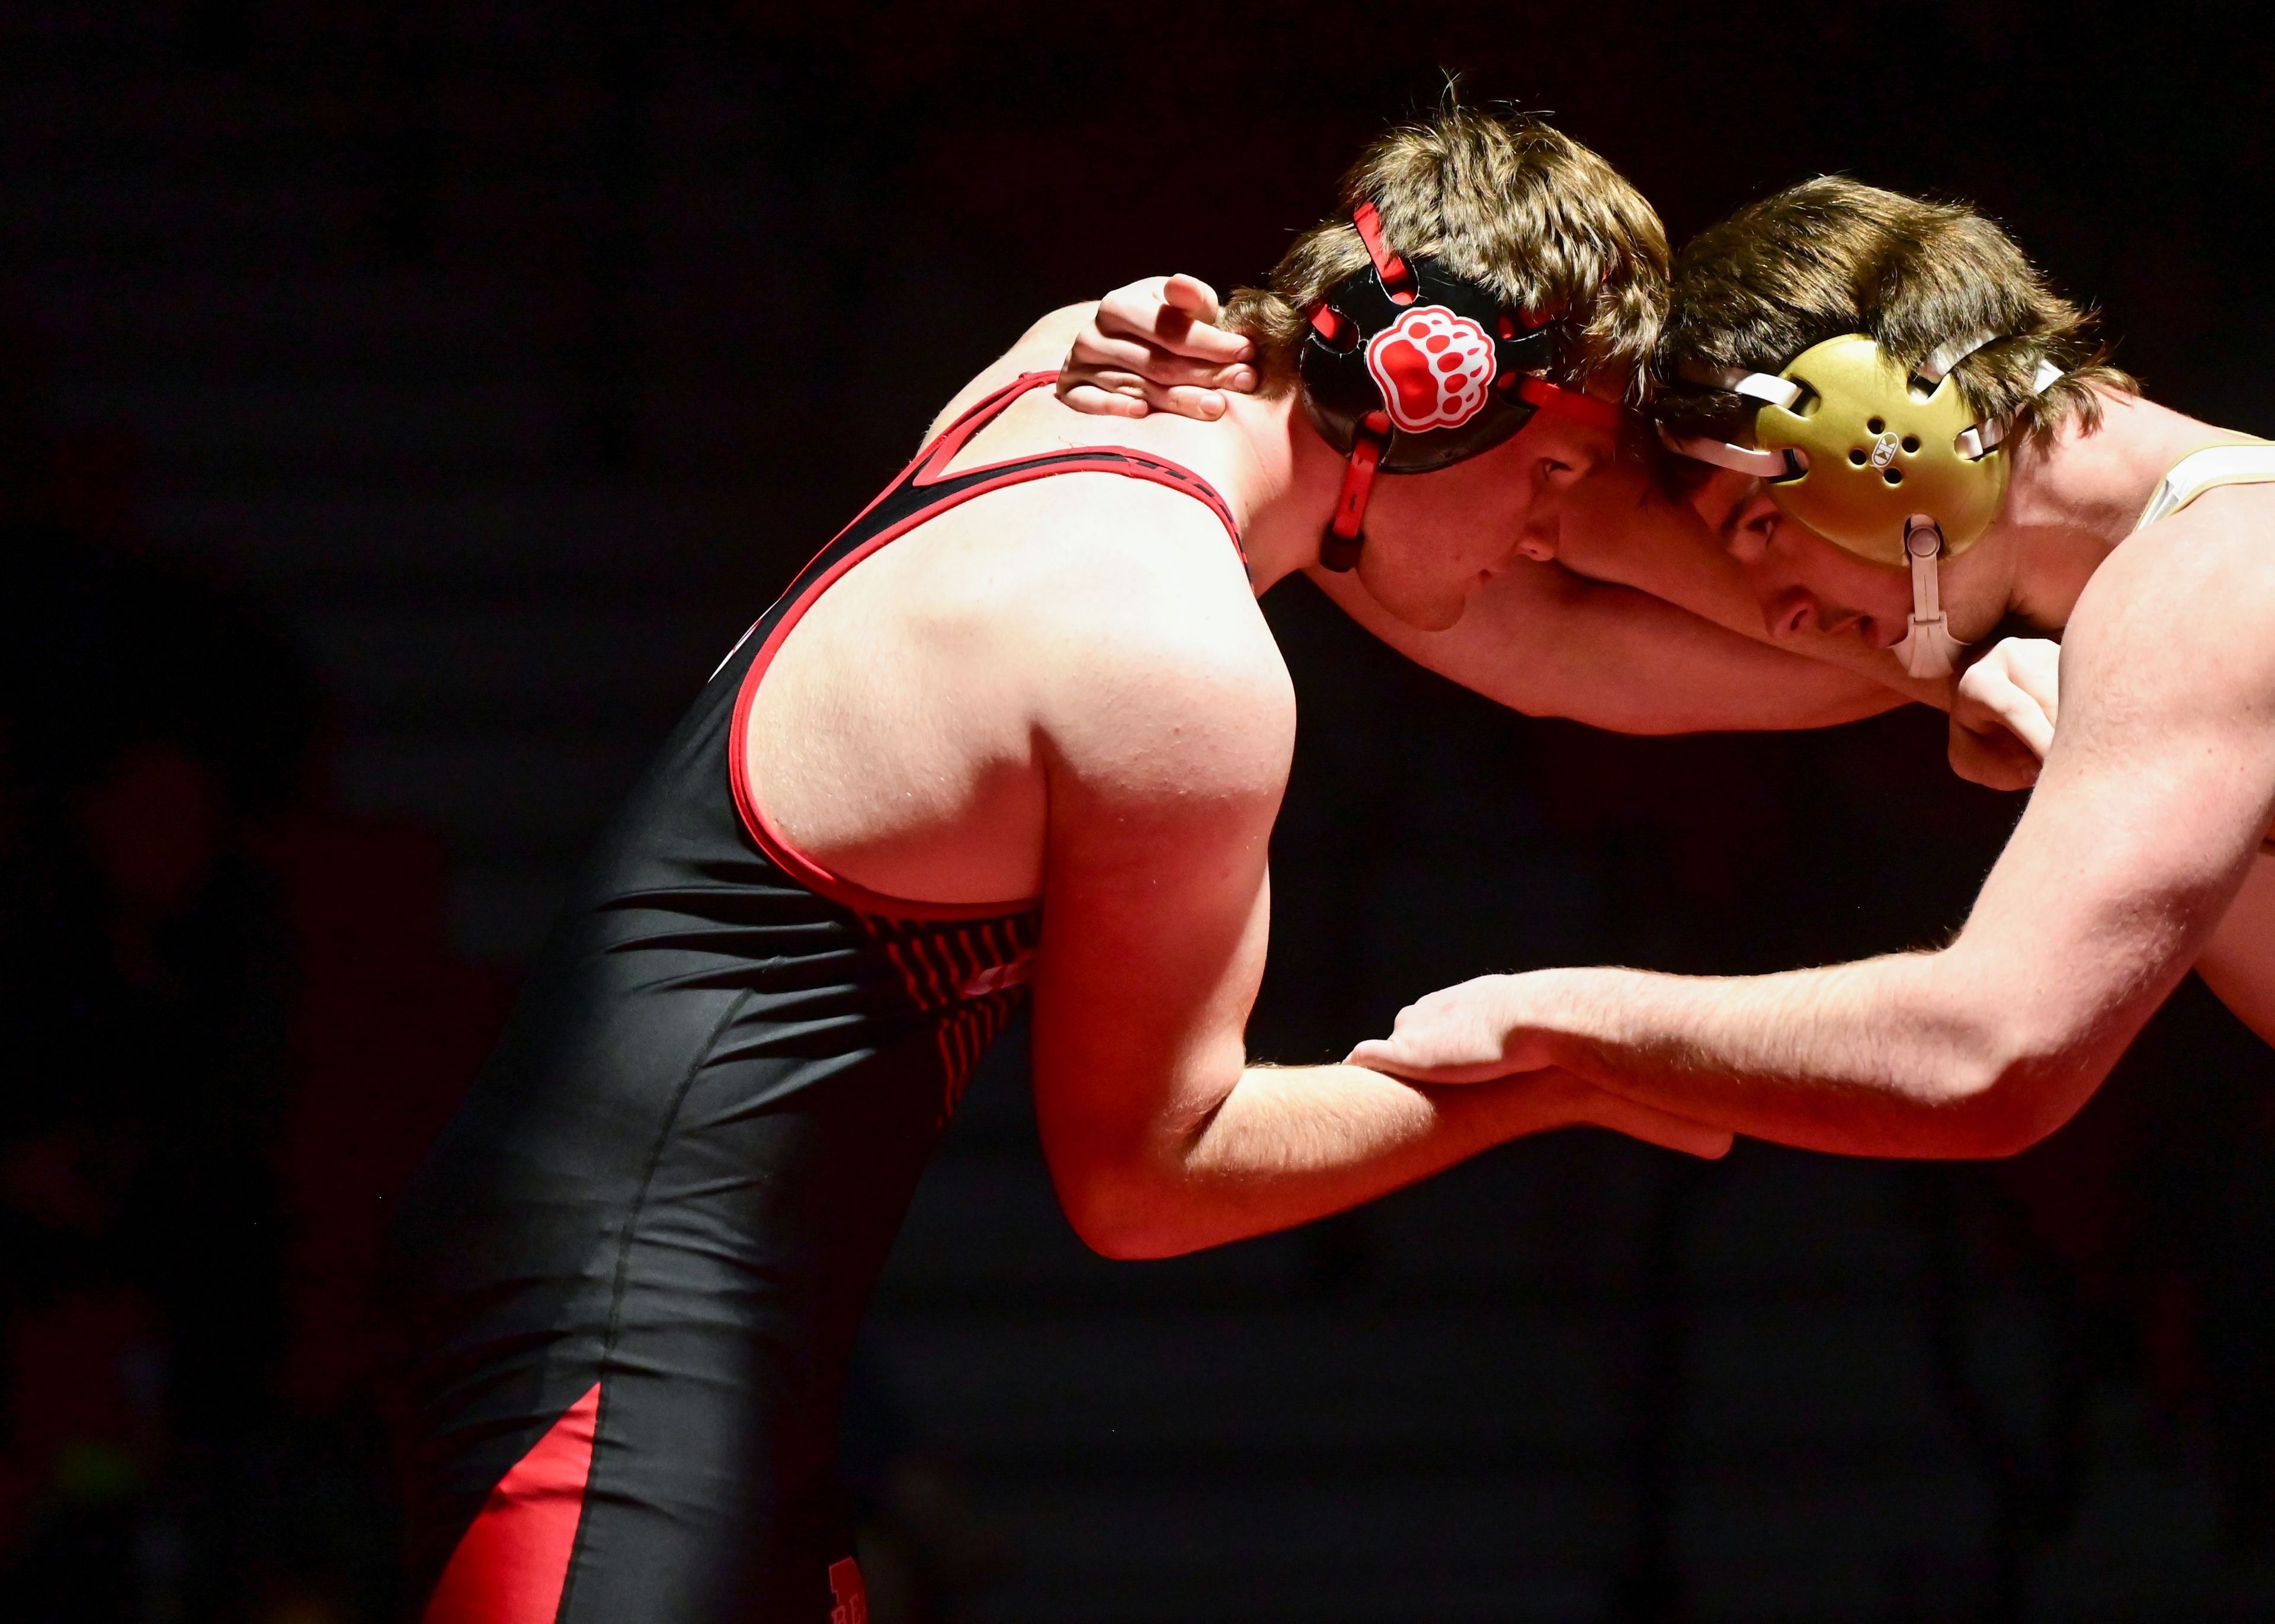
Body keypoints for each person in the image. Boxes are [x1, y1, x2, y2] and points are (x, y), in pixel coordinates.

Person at [383, 102, 1908, 1624]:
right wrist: (1569, 1069)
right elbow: (1149, 1181)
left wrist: (1931, 658)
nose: (1553, 536)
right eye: (1560, 483)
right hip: (627, 1345)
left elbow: (1559, 648)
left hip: (663, 1310)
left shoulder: (1067, 381)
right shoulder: (1176, 660)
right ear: (1415, 398)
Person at [1335, 177, 2275, 1155]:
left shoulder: (2204, 579)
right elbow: (1549, 643)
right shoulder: (2190, 572)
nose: (1780, 613)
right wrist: (1278, 402)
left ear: (1878, 437)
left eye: (1758, 528)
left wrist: (1556, 1019)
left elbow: (1987, 1058)